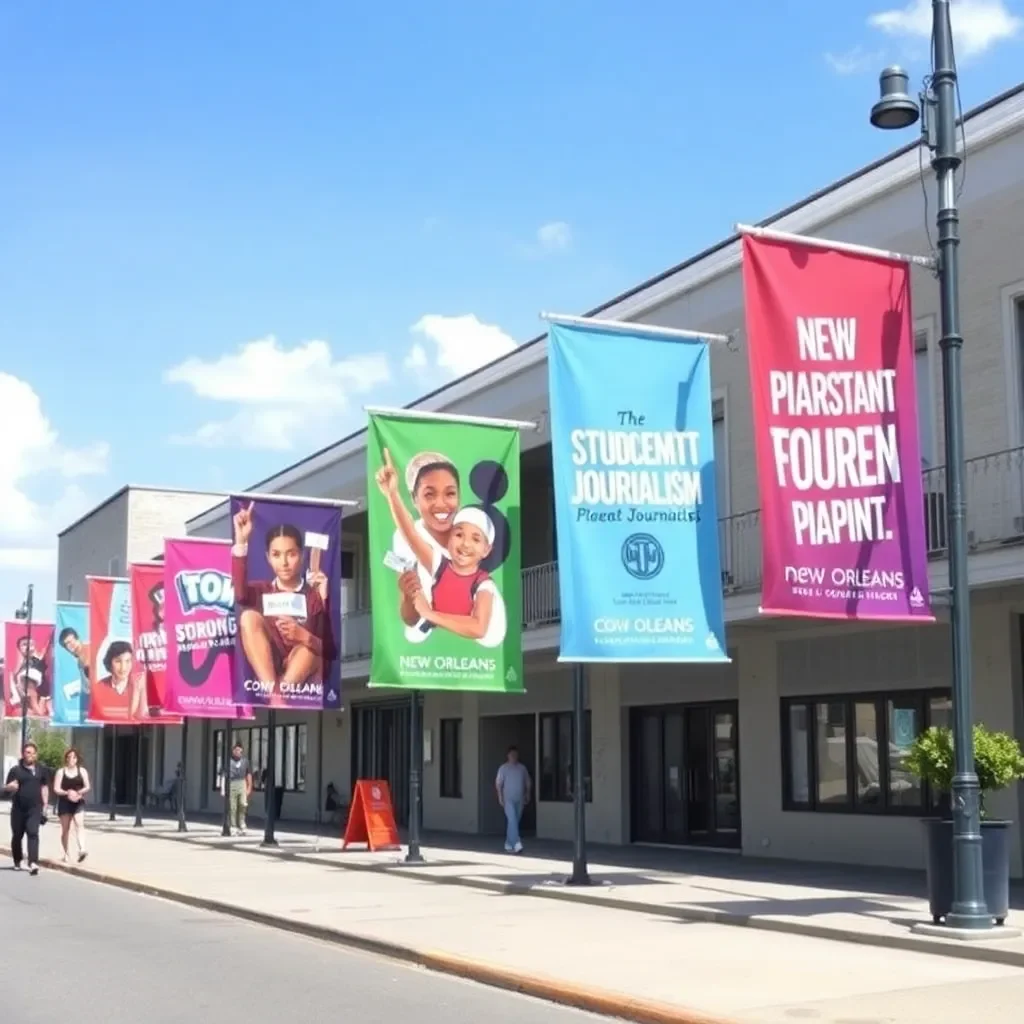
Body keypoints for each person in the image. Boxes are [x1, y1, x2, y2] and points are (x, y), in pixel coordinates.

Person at [377, 449, 500, 641]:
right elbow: (409, 533)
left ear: (486, 549)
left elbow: (479, 627)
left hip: (478, 661)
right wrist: (392, 494)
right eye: (459, 534)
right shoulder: (438, 564)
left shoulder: (483, 582)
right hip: (424, 655)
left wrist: (432, 615)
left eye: (475, 539)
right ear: (414, 499)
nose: (466, 544)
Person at [232, 503, 336, 697]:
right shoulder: (262, 591)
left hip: (306, 672)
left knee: (307, 651)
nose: (285, 562)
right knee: (248, 617)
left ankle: (277, 695)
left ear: (302, 556)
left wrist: (304, 636)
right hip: (271, 671)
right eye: (277, 555)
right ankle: (275, 695)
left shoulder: (313, 595)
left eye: (291, 554)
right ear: (268, 558)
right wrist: (241, 541)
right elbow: (240, 595)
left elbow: (330, 651)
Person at [3, 741, 50, 874]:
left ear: (36, 755)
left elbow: (44, 787)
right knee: (17, 835)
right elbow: (7, 790)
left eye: (31, 753)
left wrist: (45, 806)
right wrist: (9, 787)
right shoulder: (15, 770)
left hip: (34, 808)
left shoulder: (42, 770)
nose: (29, 755)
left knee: (33, 833)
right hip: (18, 808)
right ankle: (18, 860)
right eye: (27, 752)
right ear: (23, 754)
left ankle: (33, 862)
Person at [52, 747, 90, 863]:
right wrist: (67, 793)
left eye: (74, 757)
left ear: (77, 759)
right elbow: (56, 788)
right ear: (66, 759)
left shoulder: (82, 771)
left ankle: (82, 849)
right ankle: (66, 853)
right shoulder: (61, 772)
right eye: (69, 757)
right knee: (65, 829)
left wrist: (79, 793)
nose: (71, 760)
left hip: (78, 801)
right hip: (65, 802)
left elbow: (87, 786)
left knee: (80, 824)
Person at [95, 640, 147, 720]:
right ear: (110, 662)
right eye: (118, 661)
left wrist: (139, 690)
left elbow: (142, 717)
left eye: (128, 661)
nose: (123, 667)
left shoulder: (138, 684)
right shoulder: (100, 687)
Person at [495, 746, 531, 854]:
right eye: (512, 755)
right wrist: (500, 797)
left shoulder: (522, 768)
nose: (514, 757)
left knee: (515, 821)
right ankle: (517, 843)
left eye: (516, 755)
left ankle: (508, 843)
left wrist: (528, 794)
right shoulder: (503, 768)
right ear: (508, 756)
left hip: (519, 798)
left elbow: (527, 781)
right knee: (512, 819)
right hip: (508, 799)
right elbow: (498, 784)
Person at [226, 742, 253, 835]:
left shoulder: (245, 761)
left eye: (240, 750)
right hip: (232, 783)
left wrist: (249, 786)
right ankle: (233, 826)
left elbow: (248, 773)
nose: (238, 752)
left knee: (243, 804)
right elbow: (223, 775)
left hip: (242, 782)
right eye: (236, 750)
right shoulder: (229, 761)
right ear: (233, 751)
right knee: (233, 807)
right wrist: (223, 788)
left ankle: (242, 824)